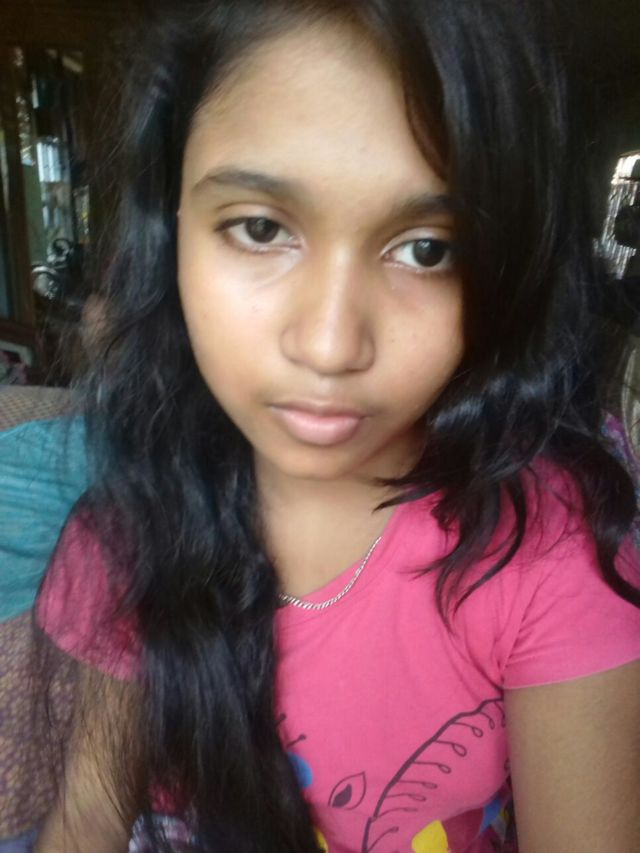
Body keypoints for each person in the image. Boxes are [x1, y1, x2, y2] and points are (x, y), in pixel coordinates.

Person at [30, 1, 640, 851]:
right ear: (170, 233)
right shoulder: (134, 529)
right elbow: (86, 822)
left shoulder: (542, 551)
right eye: (261, 228)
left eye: (427, 248)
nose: (329, 346)